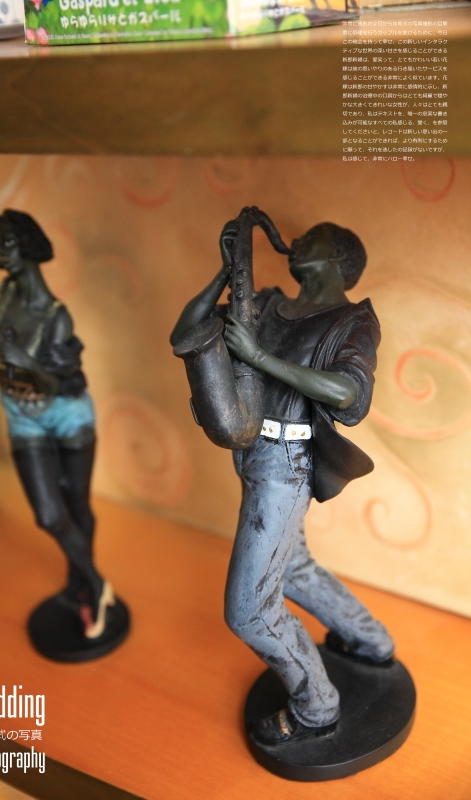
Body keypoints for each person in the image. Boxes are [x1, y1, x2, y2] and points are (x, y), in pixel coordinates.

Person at [171, 217, 394, 745]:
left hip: (286, 463)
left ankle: (317, 708)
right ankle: (373, 642)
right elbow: (186, 330)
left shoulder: (353, 320)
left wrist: (257, 356)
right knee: (293, 567)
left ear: (337, 257)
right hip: (250, 450)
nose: (296, 240)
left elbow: (348, 394)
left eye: (311, 237)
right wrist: (225, 271)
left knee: (249, 611)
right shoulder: (268, 303)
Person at [0, 209, 113, 638]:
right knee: (48, 515)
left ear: (28, 244)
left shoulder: (56, 316)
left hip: (66, 413)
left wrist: (24, 360)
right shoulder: (4, 293)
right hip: (21, 417)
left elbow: (57, 383)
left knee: (76, 504)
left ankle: (79, 583)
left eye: (5, 244)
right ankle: (96, 583)